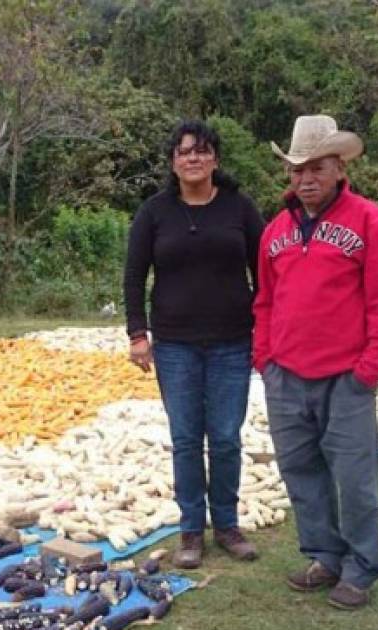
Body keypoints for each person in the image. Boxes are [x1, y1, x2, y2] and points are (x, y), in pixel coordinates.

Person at [253, 115, 378, 609]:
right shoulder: (275, 230)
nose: (306, 179)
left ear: (340, 167)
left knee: (356, 479)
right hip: (286, 375)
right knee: (301, 472)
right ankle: (325, 555)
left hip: (346, 378)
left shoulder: (370, 222)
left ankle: (362, 568)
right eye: (297, 170)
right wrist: (264, 357)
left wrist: (370, 368)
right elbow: (265, 301)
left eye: (316, 168)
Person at [123, 120, 265, 569]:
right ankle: (190, 531)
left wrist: (266, 326)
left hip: (231, 342)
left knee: (225, 438)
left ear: (215, 160)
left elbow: (265, 272)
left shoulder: (239, 209)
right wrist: (137, 334)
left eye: (202, 151)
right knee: (186, 439)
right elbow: (133, 275)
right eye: (184, 152)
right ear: (173, 161)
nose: (193, 158)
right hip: (175, 345)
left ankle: (225, 525)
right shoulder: (154, 212)